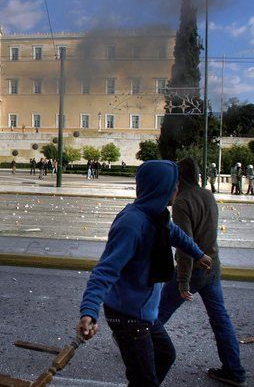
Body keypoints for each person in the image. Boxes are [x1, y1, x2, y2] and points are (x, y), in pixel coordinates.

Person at [77, 160, 213, 387]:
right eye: (174, 185)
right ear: (161, 189)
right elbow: (105, 270)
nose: (177, 190)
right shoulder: (132, 224)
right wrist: (89, 310)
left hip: (145, 312)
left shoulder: (157, 216)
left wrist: (197, 253)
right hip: (127, 315)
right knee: (145, 380)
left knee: (165, 355)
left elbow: (176, 234)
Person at [157, 158, 247, 387]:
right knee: (220, 319)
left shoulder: (182, 202)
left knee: (156, 315)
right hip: (212, 266)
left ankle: (142, 351)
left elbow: (186, 245)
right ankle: (234, 371)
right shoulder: (207, 195)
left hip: (195, 269)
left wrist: (183, 281)